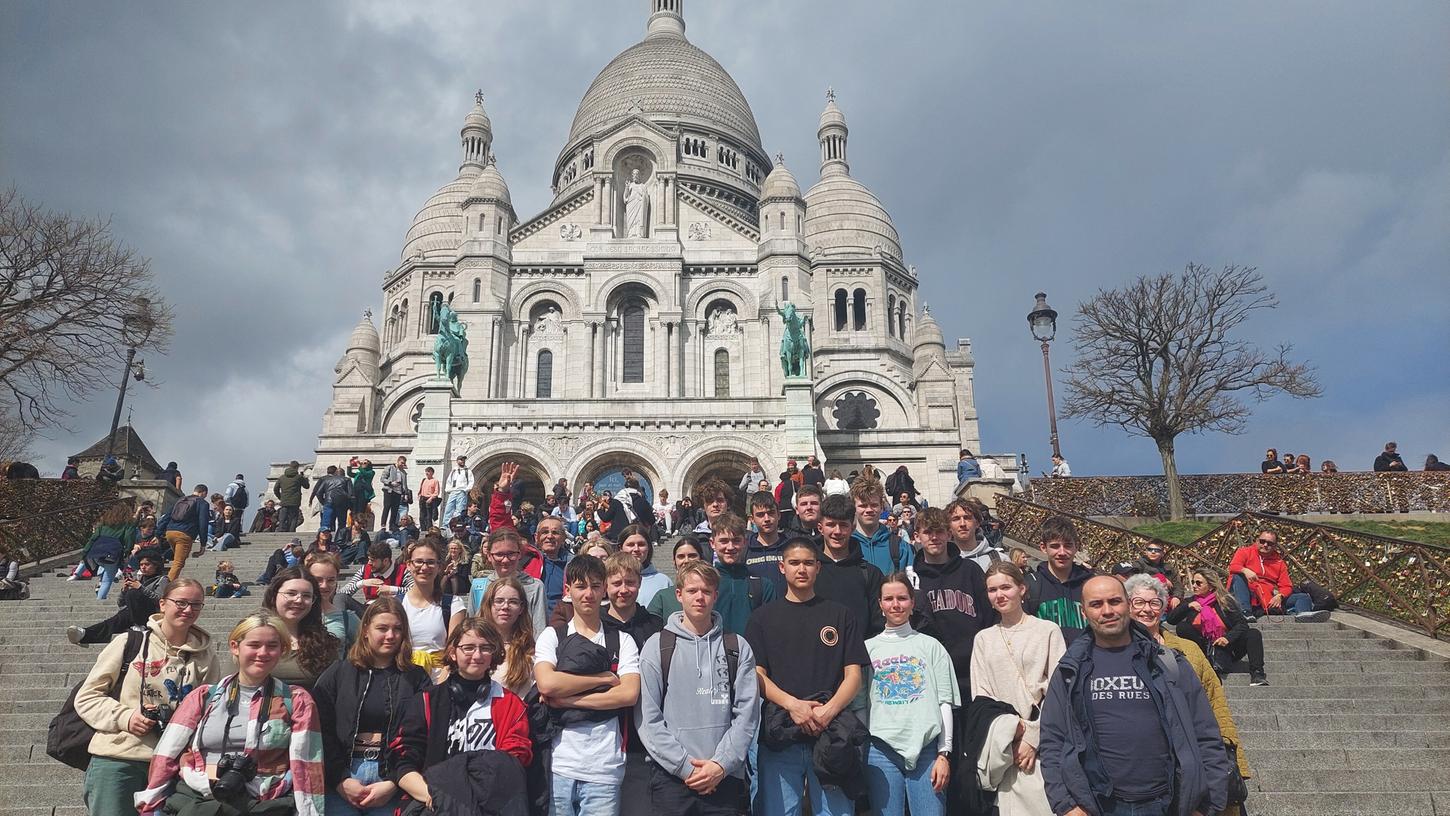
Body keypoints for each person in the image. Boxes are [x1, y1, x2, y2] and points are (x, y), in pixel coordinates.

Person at [1039, 576, 1231, 816]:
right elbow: (1052, 740)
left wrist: (1206, 806)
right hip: (1098, 805)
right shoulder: (1070, 670)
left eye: (1115, 601)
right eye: (1096, 604)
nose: (1107, 610)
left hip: (1167, 802)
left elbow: (1205, 734)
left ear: (1128, 605)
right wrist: (1066, 806)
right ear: (1084, 612)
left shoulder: (1167, 663)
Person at [134, 612, 326, 815]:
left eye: (272, 646)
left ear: (282, 650)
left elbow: (307, 765)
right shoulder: (203, 696)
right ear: (235, 647)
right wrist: (150, 804)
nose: (263, 653)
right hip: (198, 798)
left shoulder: (296, 700)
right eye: (254, 645)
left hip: (264, 802)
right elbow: (167, 753)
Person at [75, 578, 222, 816]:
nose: (188, 610)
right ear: (162, 604)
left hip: (175, 764)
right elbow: (87, 696)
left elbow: (210, 713)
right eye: (181, 602)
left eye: (196, 605)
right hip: (120, 758)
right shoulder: (129, 642)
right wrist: (126, 717)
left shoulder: (206, 657)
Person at [746, 538, 870, 816]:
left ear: (818, 568)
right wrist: (793, 705)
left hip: (831, 735)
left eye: (808, 563)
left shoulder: (840, 615)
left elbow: (853, 675)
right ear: (782, 567)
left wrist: (828, 712)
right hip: (780, 737)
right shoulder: (762, 618)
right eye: (794, 563)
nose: (801, 569)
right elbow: (757, 674)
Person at [637, 561, 760, 816]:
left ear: (716, 595)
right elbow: (648, 719)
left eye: (706, 591)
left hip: (724, 778)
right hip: (672, 780)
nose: (700, 597)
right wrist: (685, 767)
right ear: (679, 594)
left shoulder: (736, 646)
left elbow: (747, 716)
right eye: (692, 591)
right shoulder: (657, 646)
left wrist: (720, 765)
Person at [1126, 574, 1252, 816]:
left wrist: (1236, 764)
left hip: (1197, 757)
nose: (1146, 610)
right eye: (1138, 602)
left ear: (1163, 608)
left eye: (1154, 603)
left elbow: (1217, 704)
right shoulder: (1118, 652)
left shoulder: (1189, 649)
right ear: (1127, 607)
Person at [535, 554, 643, 816]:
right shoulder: (553, 636)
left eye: (595, 586)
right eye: (581, 586)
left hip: (605, 768)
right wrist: (603, 679)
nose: (588, 594)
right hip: (559, 766)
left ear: (604, 589)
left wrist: (568, 699)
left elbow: (628, 693)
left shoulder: (622, 640)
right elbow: (548, 684)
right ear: (567, 590)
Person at [391, 618, 532, 811]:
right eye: (468, 648)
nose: (477, 655)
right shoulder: (425, 701)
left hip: (489, 805)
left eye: (485, 648)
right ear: (452, 652)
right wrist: (436, 797)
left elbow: (513, 761)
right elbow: (404, 760)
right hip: (434, 805)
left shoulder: (511, 705)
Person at [311, 597, 429, 816]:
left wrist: (395, 780)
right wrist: (339, 779)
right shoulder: (339, 672)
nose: (390, 636)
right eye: (382, 628)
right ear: (365, 630)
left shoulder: (416, 677)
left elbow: (421, 735)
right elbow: (321, 730)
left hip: (391, 778)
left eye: (397, 629)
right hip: (343, 775)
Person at [968, 562, 1066, 816]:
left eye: (1005, 587)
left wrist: (1032, 738)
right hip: (1003, 746)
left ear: (1021, 589)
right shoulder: (983, 639)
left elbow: (1059, 692)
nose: (999, 595)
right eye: (992, 590)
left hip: (1042, 746)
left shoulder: (1047, 631)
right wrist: (1011, 735)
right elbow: (982, 696)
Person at [862, 572, 959, 816]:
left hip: (926, 751)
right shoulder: (867, 649)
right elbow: (860, 705)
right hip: (880, 749)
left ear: (913, 603)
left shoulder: (932, 646)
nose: (896, 605)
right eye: (889, 599)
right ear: (880, 604)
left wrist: (943, 753)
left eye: (902, 598)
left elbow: (944, 702)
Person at [904, 507, 995, 698]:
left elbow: (989, 618)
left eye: (939, 531)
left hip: (973, 672)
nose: (934, 537)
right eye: (928, 532)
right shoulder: (911, 578)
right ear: (917, 536)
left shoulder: (970, 570)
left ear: (948, 534)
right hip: (932, 674)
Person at [651, 513, 773, 633]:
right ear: (712, 543)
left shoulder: (762, 585)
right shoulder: (703, 586)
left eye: (736, 541)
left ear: (744, 542)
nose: (730, 547)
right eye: (724, 541)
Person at [1169, 570, 1269, 686]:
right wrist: (1187, 606)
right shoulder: (1190, 602)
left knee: (1253, 633)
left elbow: (1242, 624)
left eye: (1198, 583)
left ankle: (1257, 674)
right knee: (1182, 627)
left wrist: (1227, 638)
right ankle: (1206, 662)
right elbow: (1172, 619)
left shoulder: (1225, 601)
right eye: (1193, 582)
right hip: (1203, 647)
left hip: (1226, 647)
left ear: (1211, 586)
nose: (1194, 586)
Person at [68, 549, 170, 645]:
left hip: (150, 615)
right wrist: (124, 591)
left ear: (156, 565)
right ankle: (84, 634)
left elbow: (160, 600)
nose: (143, 567)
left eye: (147, 564)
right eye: (141, 564)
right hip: (131, 614)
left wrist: (140, 588)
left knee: (132, 596)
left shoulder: (162, 579)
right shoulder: (139, 579)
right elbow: (121, 604)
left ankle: (140, 626)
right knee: (113, 622)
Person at [816, 494, 885, 637]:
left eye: (843, 525)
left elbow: (878, 625)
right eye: (831, 524)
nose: (837, 531)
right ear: (820, 528)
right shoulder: (807, 571)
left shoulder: (870, 573)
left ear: (852, 527)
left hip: (860, 654)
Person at [263, 567, 342, 689]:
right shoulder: (252, 635)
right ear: (274, 596)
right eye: (291, 593)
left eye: (306, 595)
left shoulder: (324, 643)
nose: (299, 600)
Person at [401, 537, 467, 680]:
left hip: (440, 677)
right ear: (408, 565)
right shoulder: (397, 604)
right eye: (418, 561)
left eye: (431, 562)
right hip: (403, 676)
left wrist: (442, 681)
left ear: (439, 567)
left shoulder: (454, 604)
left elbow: (454, 647)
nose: (424, 568)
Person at [1226, 529, 1322, 620]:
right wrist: (1244, 570)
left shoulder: (1279, 562)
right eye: (1262, 541)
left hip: (1268, 597)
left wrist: (1280, 596)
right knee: (1238, 576)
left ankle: (1304, 615)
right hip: (1246, 593)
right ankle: (1245, 613)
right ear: (1256, 541)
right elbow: (1233, 567)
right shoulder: (1244, 552)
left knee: (1303, 596)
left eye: (1270, 543)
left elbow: (1287, 585)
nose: (1265, 545)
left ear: (1275, 546)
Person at [1024, 516, 1093, 642]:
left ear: (1076, 546)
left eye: (1068, 545)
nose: (1062, 552)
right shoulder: (1030, 584)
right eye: (1055, 546)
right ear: (1043, 547)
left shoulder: (1091, 584)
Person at [470, 528, 549, 635]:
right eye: (499, 554)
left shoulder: (535, 586)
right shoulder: (478, 586)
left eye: (511, 554)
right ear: (489, 556)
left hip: (522, 649)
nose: (505, 560)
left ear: (520, 554)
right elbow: (471, 628)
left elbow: (539, 631)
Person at [483, 576, 538, 698]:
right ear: (489, 605)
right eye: (499, 601)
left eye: (513, 602)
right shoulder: (474, 646)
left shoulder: (530, 649)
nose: (505, 607)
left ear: (521, 608)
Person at [72, 500, 137, 600]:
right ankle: (100, 599)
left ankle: (92, 584)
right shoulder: (129, 523)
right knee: (107, 579)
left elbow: (94, 537)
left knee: (103, 570)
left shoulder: (105, 522)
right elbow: (129, 538)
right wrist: (127, 551)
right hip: (113, 551)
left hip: (97, 550)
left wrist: (86, 551)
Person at [306, 551, 361, 657]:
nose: (324, 586)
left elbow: (363, 652)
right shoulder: (296, 615)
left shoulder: (348, 618)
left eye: (331, 580)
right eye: (318, 580)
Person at [852, 478, 910, 574]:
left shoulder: (900, 547)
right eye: (863, 506)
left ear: (882, 507)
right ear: (854, 508)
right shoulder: (846, 547)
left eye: (874, 505)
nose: (869, 510)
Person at [158, 484, 209, 581]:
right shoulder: (202, 503)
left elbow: (167, 516)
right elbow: (203, 523)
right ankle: (165, 586)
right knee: (178, 562)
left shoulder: (181, 500)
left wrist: (158, 533)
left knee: (178, 558)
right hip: (184, 534)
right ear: (204, 493)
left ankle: (170, 579)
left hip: (170, 532)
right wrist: (203, 544)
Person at [339, 541, 410, 608]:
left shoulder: (402, 570)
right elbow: (342, 592)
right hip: (369, 609)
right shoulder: (365, 569)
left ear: (385, 561)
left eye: (372, 560)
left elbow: (415, 591)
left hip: (393, 609)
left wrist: (391, 589)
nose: (369, 563)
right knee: (341, 598)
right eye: (369, 559)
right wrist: (362, 583)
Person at [618, 524, 671, 609]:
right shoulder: (612, 580)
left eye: (641, 544)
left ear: (649, 547)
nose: (636, 549)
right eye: (630, 545)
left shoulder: (663, 581)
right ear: (621, 548)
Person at [946, 498, 1002, 572]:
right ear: (948, 526)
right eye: (956, 519)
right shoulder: (941, 562)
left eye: (967, 518)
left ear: (977, 523)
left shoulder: (1000, 559)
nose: (962, 524)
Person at [536, 515, 572, 616]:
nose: (550, 536)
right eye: (545, 532)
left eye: (555, 532)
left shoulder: (573, 565)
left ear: (563, 538)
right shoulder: (527, 562)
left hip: (561, 623)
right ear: (537, 537)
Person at [310, 465, 352, 535]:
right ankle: (340, 538)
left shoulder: (327, 480)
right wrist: (349, 505)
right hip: (342, 504)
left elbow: (318, 492)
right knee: (341, 523)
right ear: (344, 474)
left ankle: (324, 537)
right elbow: (351, 494)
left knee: (326, 523)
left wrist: (323, 501)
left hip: (328, 502)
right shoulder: (347, 480)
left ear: (335, 473)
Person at [273, 461, 310, 533]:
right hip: (295, 501)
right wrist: (304, 478)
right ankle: (291, 532)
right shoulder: (299, 477)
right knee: (294, 518)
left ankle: (281, 531)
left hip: (284, 501)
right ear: (297, 467)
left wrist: (280, 497)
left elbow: (275, 489)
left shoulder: (282, 478)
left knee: (282, 518)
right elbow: (306, 486)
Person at [440, 455, 474, 531]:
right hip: (453, 492)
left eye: (463, 460)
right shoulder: (454, 471)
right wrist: (448, 490)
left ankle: (458, 524)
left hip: (462, 492)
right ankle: (445, 525)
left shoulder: (467, 471)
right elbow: (449, 481)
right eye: (461, 460)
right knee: (449, 508)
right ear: (457, 461)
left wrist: (466, 489)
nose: (462, 461)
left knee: (460, 509)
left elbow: (471, 481)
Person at [380, 456, 409, 533]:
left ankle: (392, 525)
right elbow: (382, 478)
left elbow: (405, 484)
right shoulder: (390, 468)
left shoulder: (403, 472)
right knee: (387, 507)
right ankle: (383, 525)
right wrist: (390, 483)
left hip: (398, 492)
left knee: (395, 509)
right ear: (398, 461)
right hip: (389, 490)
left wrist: (405, 493)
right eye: (402, 463)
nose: (403, 464)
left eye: (404, 463)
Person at [348, 458, 377, 528]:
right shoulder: (358, 473)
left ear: (369, 465)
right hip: (355, 493)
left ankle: (360, 524)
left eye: (364, 463)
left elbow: (365, 474)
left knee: (360, 510)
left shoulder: (371, 472)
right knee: (354, 510)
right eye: (362, 463)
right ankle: (353, 524)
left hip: (363, 494)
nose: (362, 464)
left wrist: (359, 466)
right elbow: (349, 474)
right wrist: (350, 466)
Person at [416, 466, 441, 531]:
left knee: (428, 517)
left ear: (432, 473)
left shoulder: (435, 481)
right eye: (426, 471)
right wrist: (419, 495)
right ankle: (423, 529)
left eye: (428, 471)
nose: (427, 473)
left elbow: (436, 492)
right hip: (422, 499)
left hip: (430, 499)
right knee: (421, 517)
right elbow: (421, 489)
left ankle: (428, 530)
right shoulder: (424, 480)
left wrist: (431, 498)